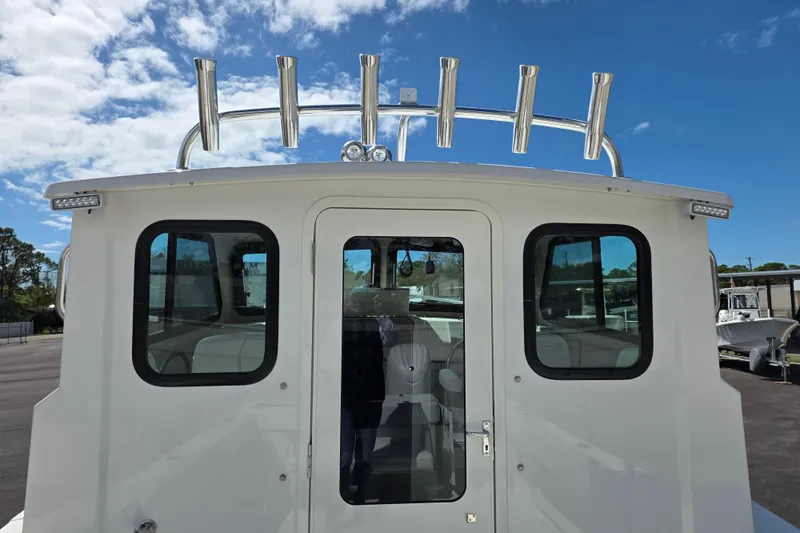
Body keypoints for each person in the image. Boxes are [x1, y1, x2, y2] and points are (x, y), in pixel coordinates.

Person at [340, 288, 386, 504]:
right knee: (343, 453)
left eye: (362, 302)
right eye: (353, 301)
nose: (357, 305)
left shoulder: (379, 323)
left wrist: (381, 316)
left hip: (371, 394)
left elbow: (392, 337)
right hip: (343, 396)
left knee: (365, 453)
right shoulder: (334, 323)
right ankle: (340, 493)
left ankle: (360, 494)